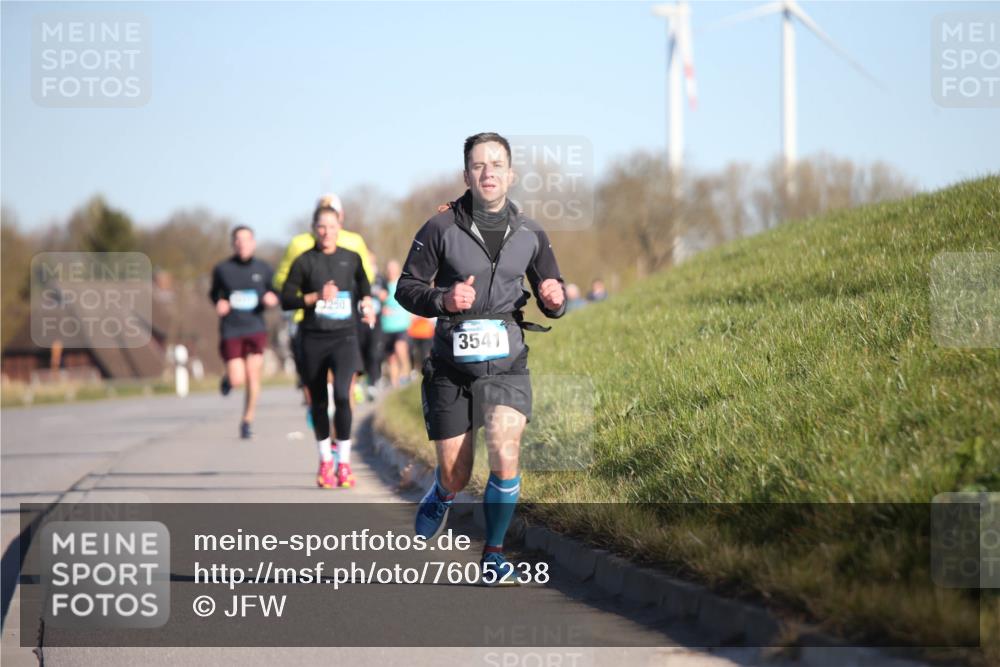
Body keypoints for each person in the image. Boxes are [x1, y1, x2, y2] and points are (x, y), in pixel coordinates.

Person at [396, 132, 566, 585]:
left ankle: (493, 554)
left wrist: (554, 297)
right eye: (478, 165)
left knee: (506, 454)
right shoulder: (440, 228)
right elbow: (405, 288)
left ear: (510, 174)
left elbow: (553, 289)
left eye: (496, 164)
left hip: (507, 362)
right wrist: (444, 298)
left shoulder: (531, 232)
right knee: (457, 472)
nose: (487, 172)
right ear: (466, 175)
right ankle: (442, 493)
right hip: (451, 368)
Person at [280, 203, 375, 489]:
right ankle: (325, 461)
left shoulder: (352, 257)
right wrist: (314, 297)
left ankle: (343, 464)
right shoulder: (305, 261)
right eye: (321, 226)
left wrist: (366, 304)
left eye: (332, 226)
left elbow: (363, 286)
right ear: (314, 229)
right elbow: (286, 297)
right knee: (319, 402)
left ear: (339, 228)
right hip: (313, 338)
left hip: (344, 337)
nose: (327, 232)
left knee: (345, 396)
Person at [209, 225, 279, 439]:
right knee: (238, 378)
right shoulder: (222, 269)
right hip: (232, 328)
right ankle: (229, 380)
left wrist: (272, 299)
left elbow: (275, 293)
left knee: (253, 374)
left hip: (255, 327)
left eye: (246, 240)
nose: (242, 244)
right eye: (238, 240)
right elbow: (214, 294)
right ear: (233, 244)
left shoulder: (264, 268)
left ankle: (247, 420)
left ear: (253, 243)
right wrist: (219, 302)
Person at [380, 259, 412, 387]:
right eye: (389, 269)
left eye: (393, 269)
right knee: (391, 357)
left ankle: (405, 374)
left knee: (400, 348)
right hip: (387, 326)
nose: (391, 271)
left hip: (401, 324)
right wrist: (382, 307)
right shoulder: (383, 285)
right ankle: (395, 385)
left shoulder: (402, 284)